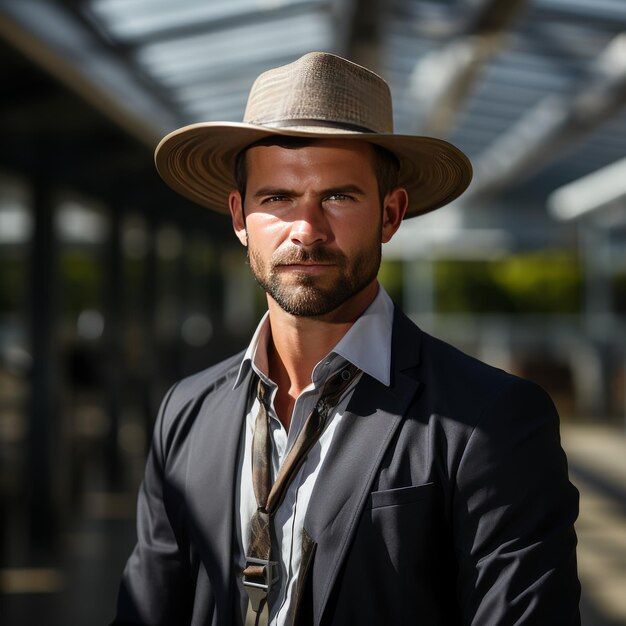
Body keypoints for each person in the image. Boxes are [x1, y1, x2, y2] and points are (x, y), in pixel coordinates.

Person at [112, 52, 580, 626]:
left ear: (391, 213)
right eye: (276, 198)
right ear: (239, 217)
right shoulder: (185, 412)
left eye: (338, 196)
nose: (306, 230)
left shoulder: (491, 420)